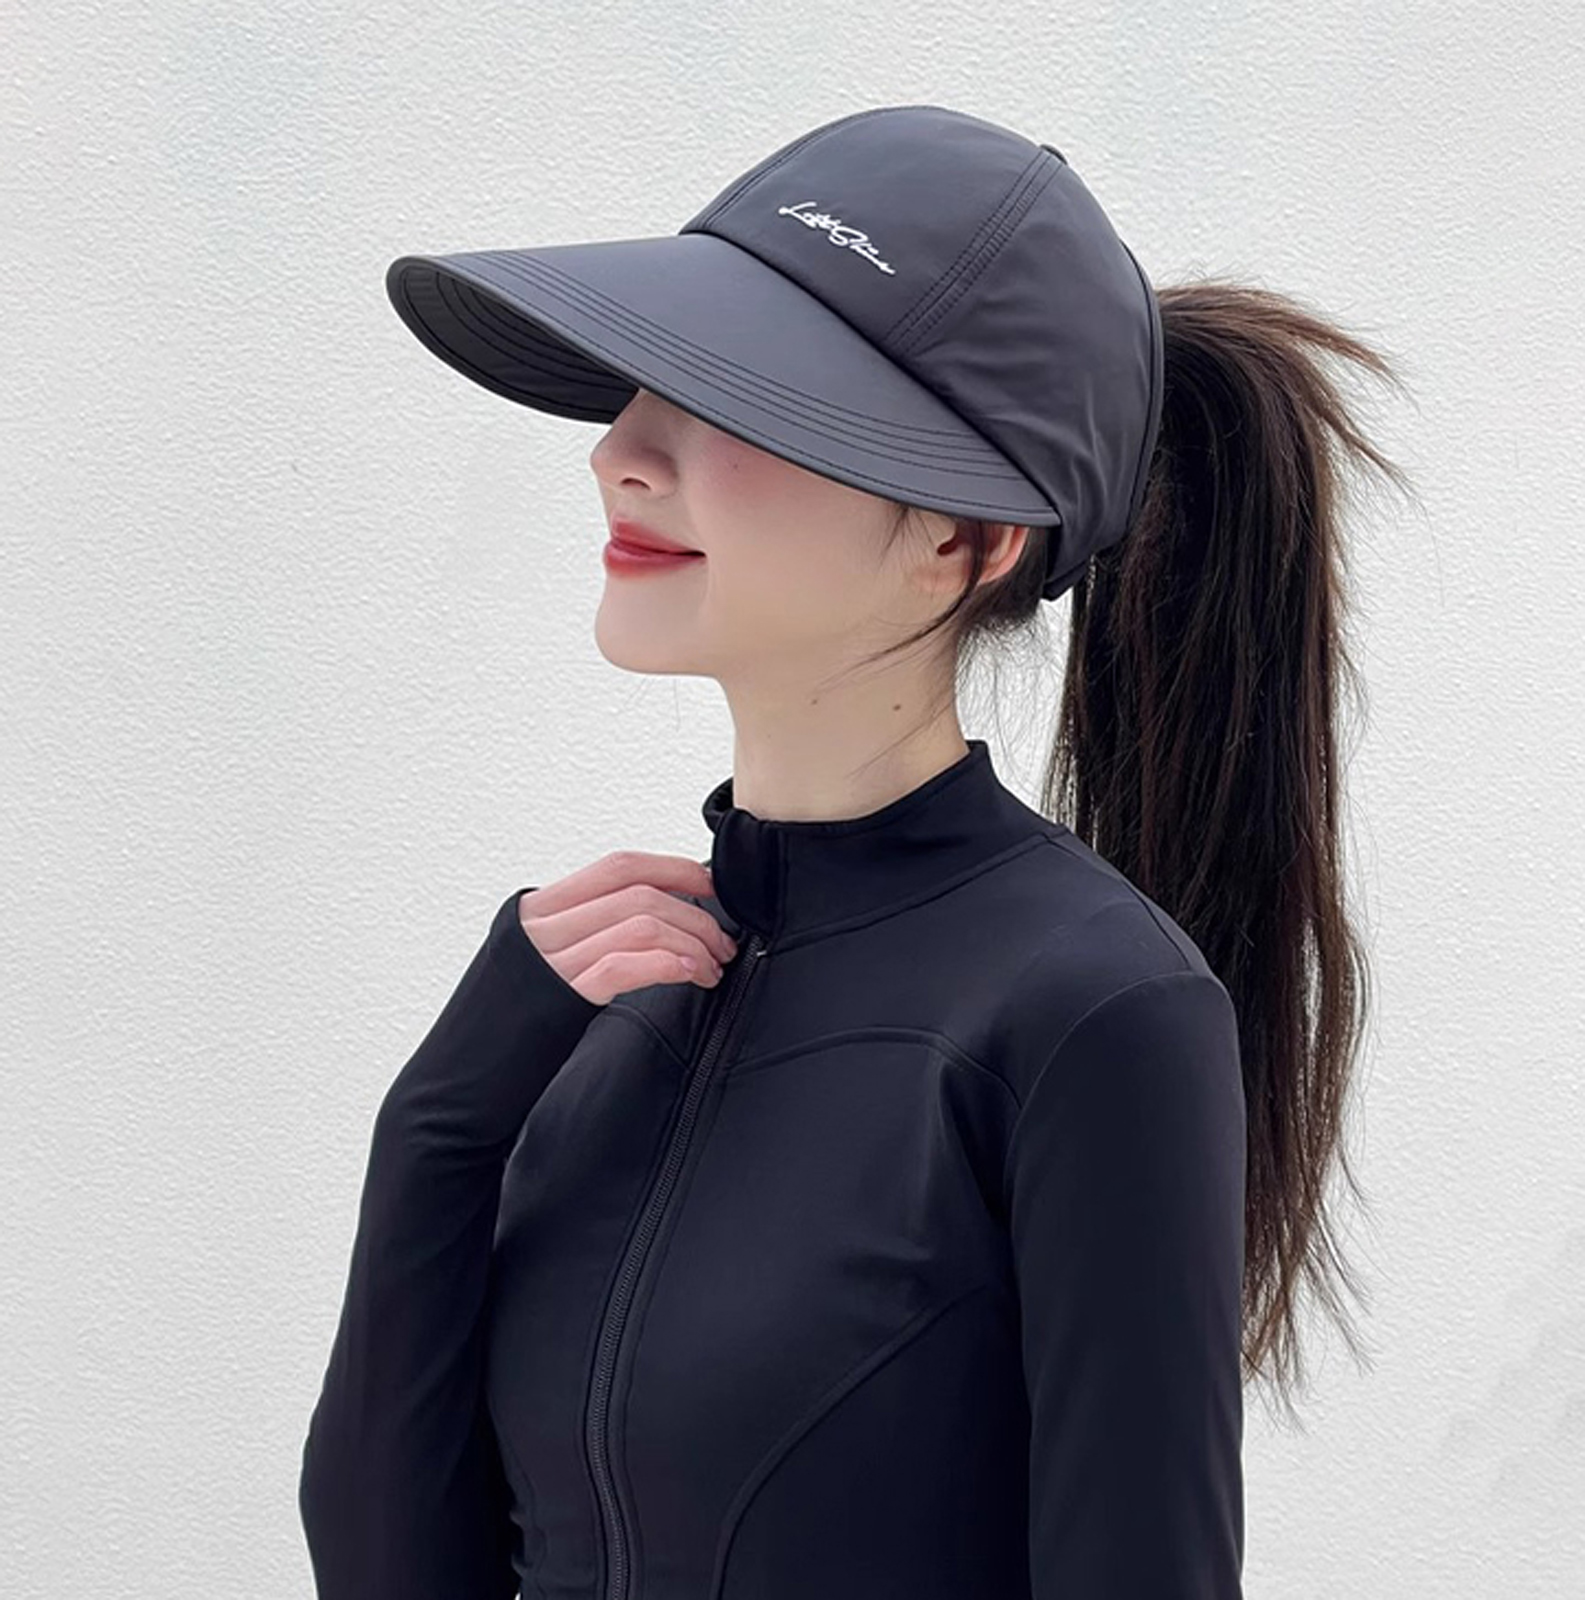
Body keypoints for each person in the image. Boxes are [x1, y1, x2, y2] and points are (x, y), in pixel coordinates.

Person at [297, 105, 1408, 1600]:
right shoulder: (593, 1009)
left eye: (735, 399)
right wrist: (442, 1121)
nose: (621, 453)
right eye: (644, 381)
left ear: (968, 540)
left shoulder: (1093, 1010)